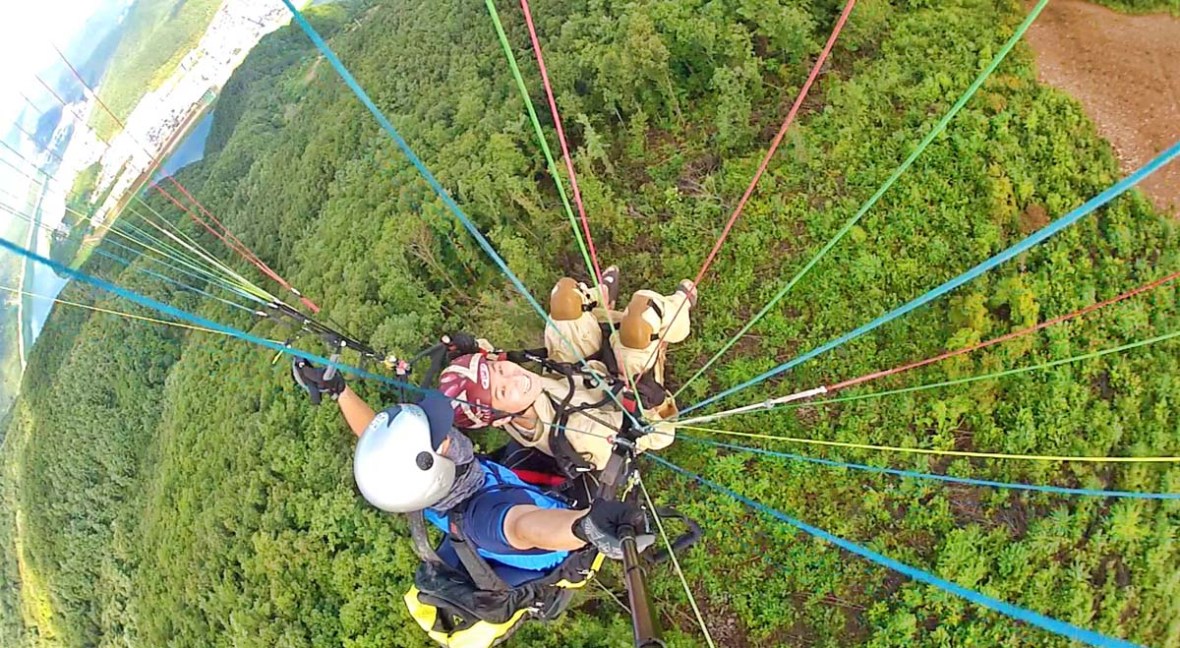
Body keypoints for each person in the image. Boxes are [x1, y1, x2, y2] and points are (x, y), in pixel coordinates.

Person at [289, 360, 653, 568]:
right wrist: (585, 527)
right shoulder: (483, 517)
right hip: (558, 527)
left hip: (501, 479)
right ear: (436, 468)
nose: (447, 433)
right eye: (441, 437)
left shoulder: (428, 484)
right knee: (592, 450)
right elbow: (524, 526)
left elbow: (378, 438)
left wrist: (339, 391)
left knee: (533, 430)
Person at [439, 267, 697, 473]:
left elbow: (491, 377)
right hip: (625, 391)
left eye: (501, 371)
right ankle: (681, 305)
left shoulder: (506, 406)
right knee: (641, 316)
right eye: (504, 390)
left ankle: (601, 298)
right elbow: (654, 439)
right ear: (502, 418)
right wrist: (657, 406)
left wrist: (473, 351)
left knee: (563, 297)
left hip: (576, 372)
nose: (515, 377)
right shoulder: (579, 438)